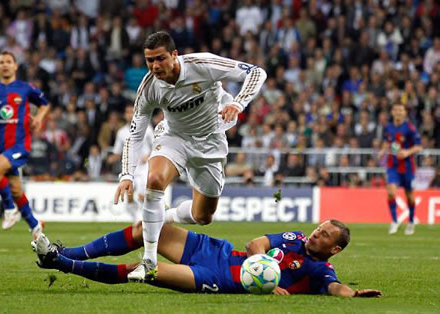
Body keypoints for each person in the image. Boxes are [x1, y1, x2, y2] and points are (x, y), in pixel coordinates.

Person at [113, 31, 267, 281]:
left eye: (160, 58)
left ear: (175, 55)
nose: (155, 66)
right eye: (149, 60)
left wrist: (238, 103)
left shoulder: (203, 64)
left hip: (210, 143)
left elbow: (256, 72)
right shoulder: (149, 87)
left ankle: (167, 215)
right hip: (174, 138)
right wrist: (127, 174)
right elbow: (135, 133)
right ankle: (149, 261)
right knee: (154, 181)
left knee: (203, 216)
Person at [33, 220, 382, 297]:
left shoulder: (320, 270)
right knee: (149, 228)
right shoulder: (295, 238)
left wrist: (353, 294)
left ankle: (60, 263)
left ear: (334, 249)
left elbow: (335, 288)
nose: (316, 234)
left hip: (218, 279)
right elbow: (255, 242)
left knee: (144, 271)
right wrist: (259, 264)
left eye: (323, 236)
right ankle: (66, 253)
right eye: (319, 228)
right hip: (216, 251)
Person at [0, 51, 50, 240]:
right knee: (15, 190)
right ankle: (34, 224)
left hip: (20, 145)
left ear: (15, 66)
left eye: (8, 62)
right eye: (1, 62)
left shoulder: (25, 88)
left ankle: (8, 209)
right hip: (0, 148)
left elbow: (44, 104)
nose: (5, 65)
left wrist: (38, 118)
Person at [378, 103, 422, 235]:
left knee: (410, 197)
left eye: (400, 110)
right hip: (393, 166)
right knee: (391, 192)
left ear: (404, 112)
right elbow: (388, 141)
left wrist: (407, 152)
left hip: (408, 167)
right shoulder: (389, 127)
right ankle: (394, 221)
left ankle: (411, 222)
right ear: (392, 112)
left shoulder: (410, 128)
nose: (398, 112)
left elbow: (419, 146)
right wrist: (383, 150)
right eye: (395, 110)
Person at [109, 104, 154, 221]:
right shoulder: (121, 132)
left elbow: (156, 146)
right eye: (127, 112)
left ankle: (146, 220)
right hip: (130, 170)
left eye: (132, 112)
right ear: (124, 115)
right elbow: (118, 152)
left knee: (142, 196)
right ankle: (136, 220)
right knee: (129, 197)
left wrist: (148, 156)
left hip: (144, 169)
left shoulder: (147, 129)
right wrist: (112, 158)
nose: (130, 115)